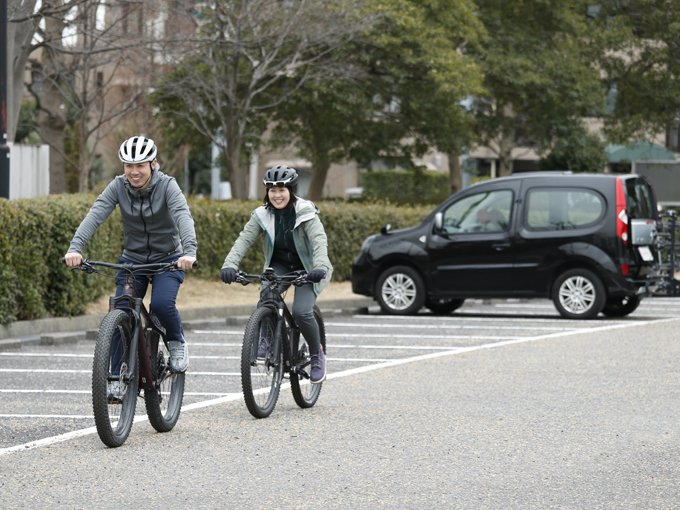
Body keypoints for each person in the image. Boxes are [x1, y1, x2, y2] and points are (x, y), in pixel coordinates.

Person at [64, 135, 197, 391]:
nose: (134, 172)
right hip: (133, 262)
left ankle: (177, 343)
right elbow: (96, 213)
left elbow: (183, 215)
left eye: (140, 166)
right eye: (128, 166)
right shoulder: (117, 186)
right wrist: (75, 248)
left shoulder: (168, 185)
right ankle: (116, 378)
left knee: (160, 305)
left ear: (153, 164)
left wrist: (189, 252)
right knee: (120, 313)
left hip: (167, 260)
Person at [220, 165, 333, 384]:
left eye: (282, 189)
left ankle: (317, 354)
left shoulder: (305, 211)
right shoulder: (262, 214)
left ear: (291, 190)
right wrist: (230, 264)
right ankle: (267, 338)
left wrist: (319, 267)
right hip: (280, 265)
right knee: (266, 298)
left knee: (301, 312)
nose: (277, 195)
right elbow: (244, 240)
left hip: (309, 268)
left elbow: (319, 240)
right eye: (272, 190)